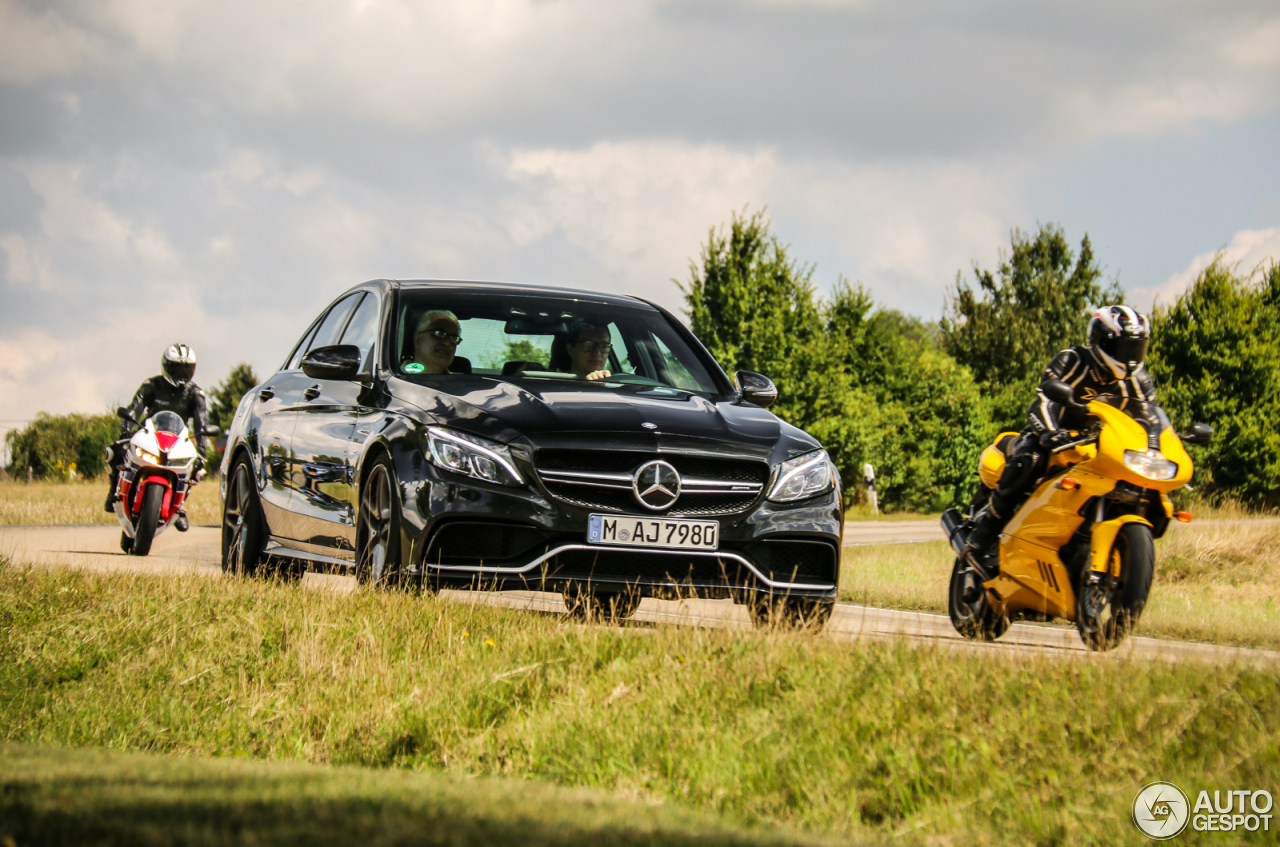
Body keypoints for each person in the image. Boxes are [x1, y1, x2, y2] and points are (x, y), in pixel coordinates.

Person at [962, 305, 1155, 581]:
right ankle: (983, 536)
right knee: (1030, 460)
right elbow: (1043, 400)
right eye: (1125, 348)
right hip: (1055, 437)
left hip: (1101, 450)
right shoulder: (1073, 361)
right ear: (1103, 341)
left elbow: (1149, 420)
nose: (1131, 357)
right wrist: (1050, 433)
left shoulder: (1138, 382)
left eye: (1136, 348)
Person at [105, 343, 209, 532]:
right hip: (148, 433)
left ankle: (179, 507)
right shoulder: (151, 385)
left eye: (186, 369)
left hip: (178, 438)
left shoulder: (195, 394)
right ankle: (113, 490)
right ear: (166, 366)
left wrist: (202, 452)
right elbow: (134, 409)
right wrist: (125, 435)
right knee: (116, 450)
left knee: (195, 468)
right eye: (176, 368)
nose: (181, 373)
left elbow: (201, 423)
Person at [403, 310, 462, 375]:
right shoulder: (392, 375)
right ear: (418, 339)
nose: (447, 343)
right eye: (439, 333)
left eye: (454, 338)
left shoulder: (461, 383)